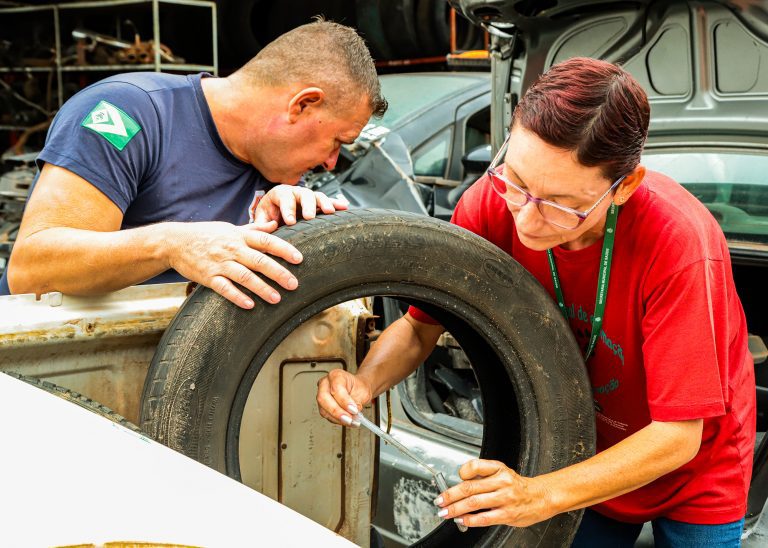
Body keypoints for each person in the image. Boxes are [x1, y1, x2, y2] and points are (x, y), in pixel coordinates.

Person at [316, 57, 755, 546]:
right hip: (585, 451)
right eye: (518, 181)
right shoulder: (487, 204)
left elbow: (678, 436)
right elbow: (422, 327)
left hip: (693, 471)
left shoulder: (680, 245)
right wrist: (362, 382)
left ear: (624, 186)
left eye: (561, 204)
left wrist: (537, 495)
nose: (525, 219)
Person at [1, 19, 387, 308]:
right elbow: (32, 268)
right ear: (302, 104)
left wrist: (284, 231)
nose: (332, 163)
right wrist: (172, 243)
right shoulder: (126, 113)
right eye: (337, 141)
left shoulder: (275, 173)